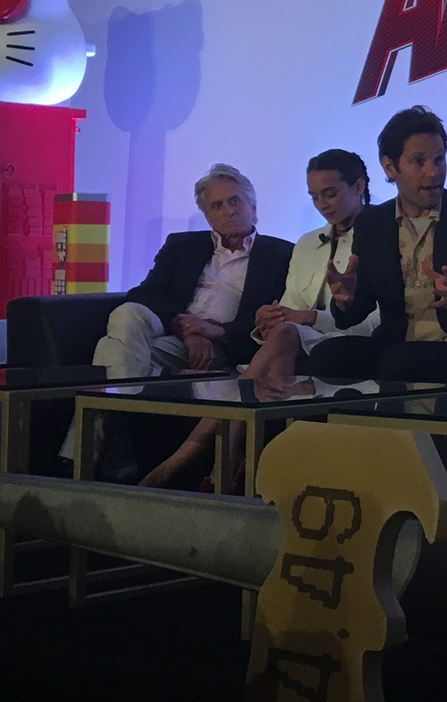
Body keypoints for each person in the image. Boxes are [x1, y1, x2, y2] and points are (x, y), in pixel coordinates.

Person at [138, 149, 380, 489]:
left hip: (347, 339)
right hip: (298, 341)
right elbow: (288, 308)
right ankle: (235, 466)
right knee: (280, 336)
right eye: (314, 196)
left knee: (283, 339)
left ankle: (191, 460)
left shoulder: (382, 237)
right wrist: (268, 318)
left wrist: (309, 317)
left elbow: (376, 321)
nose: (322, 204)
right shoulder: (308, 243)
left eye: (330, 193)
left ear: (358, 187)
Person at [67, 163, 292, 480]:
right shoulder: (182, 245)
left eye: (235, 201)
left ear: (253, 207)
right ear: (207, 216)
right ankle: (119, 436)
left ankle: (80, 457)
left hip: (224, 347)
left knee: (110, 351)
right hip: (175, 336)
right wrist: (186, 328)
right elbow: (145, 292)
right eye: (217, 205)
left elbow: (275, 320)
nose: (228, 210)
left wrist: (214, 331)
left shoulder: (282, 255)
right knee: (127, 314)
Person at [319, 105, 447, 385]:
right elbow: (356, 312)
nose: (433, 172)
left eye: (439, 159)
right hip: (397, 343)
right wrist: (346, 300)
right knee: (327, 356)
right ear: (390, 167)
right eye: (419, 161)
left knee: (400, 362)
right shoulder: (372, 223)